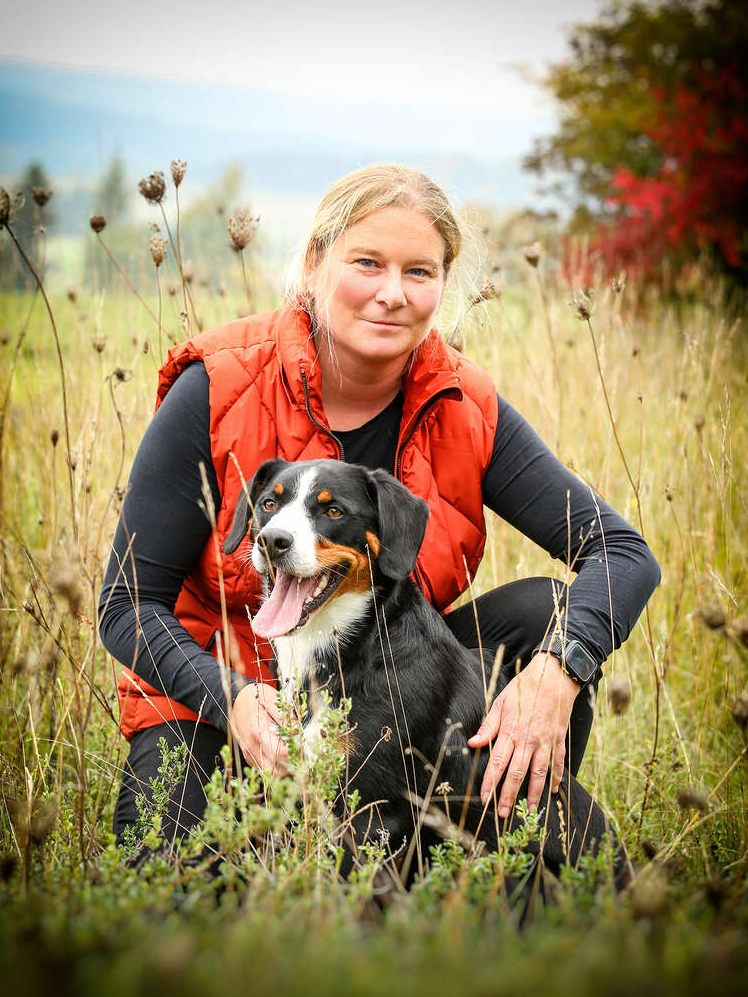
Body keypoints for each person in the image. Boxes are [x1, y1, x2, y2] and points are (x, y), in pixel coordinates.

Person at [100, 164, 660, 855]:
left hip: (381, 686)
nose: (392, 294)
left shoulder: (463, 403)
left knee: (548, 614)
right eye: (367, 263)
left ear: (442, 286)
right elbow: (126, 603)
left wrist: (559, 666)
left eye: (419, 272)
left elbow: (622, 552)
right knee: (165, 891)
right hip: (216, 695)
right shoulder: (218, 385)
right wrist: (232, 697)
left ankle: (486, 840)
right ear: (312, 263)